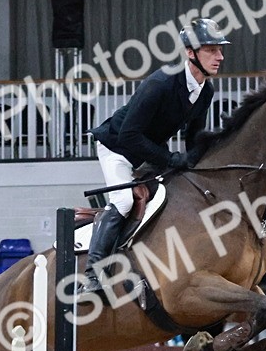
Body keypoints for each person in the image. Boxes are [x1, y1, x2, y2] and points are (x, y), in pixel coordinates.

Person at [79, 17, 228, 293]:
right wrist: (172, 159)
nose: (219, 56)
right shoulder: (160, 84)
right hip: (118, 148)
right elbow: (129, 136)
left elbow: (193, 136)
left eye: (220, 50)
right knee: (124, 201)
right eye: (211, 50)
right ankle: (92, 274)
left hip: (148, 151)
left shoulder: (205, 89)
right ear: (190, 53)